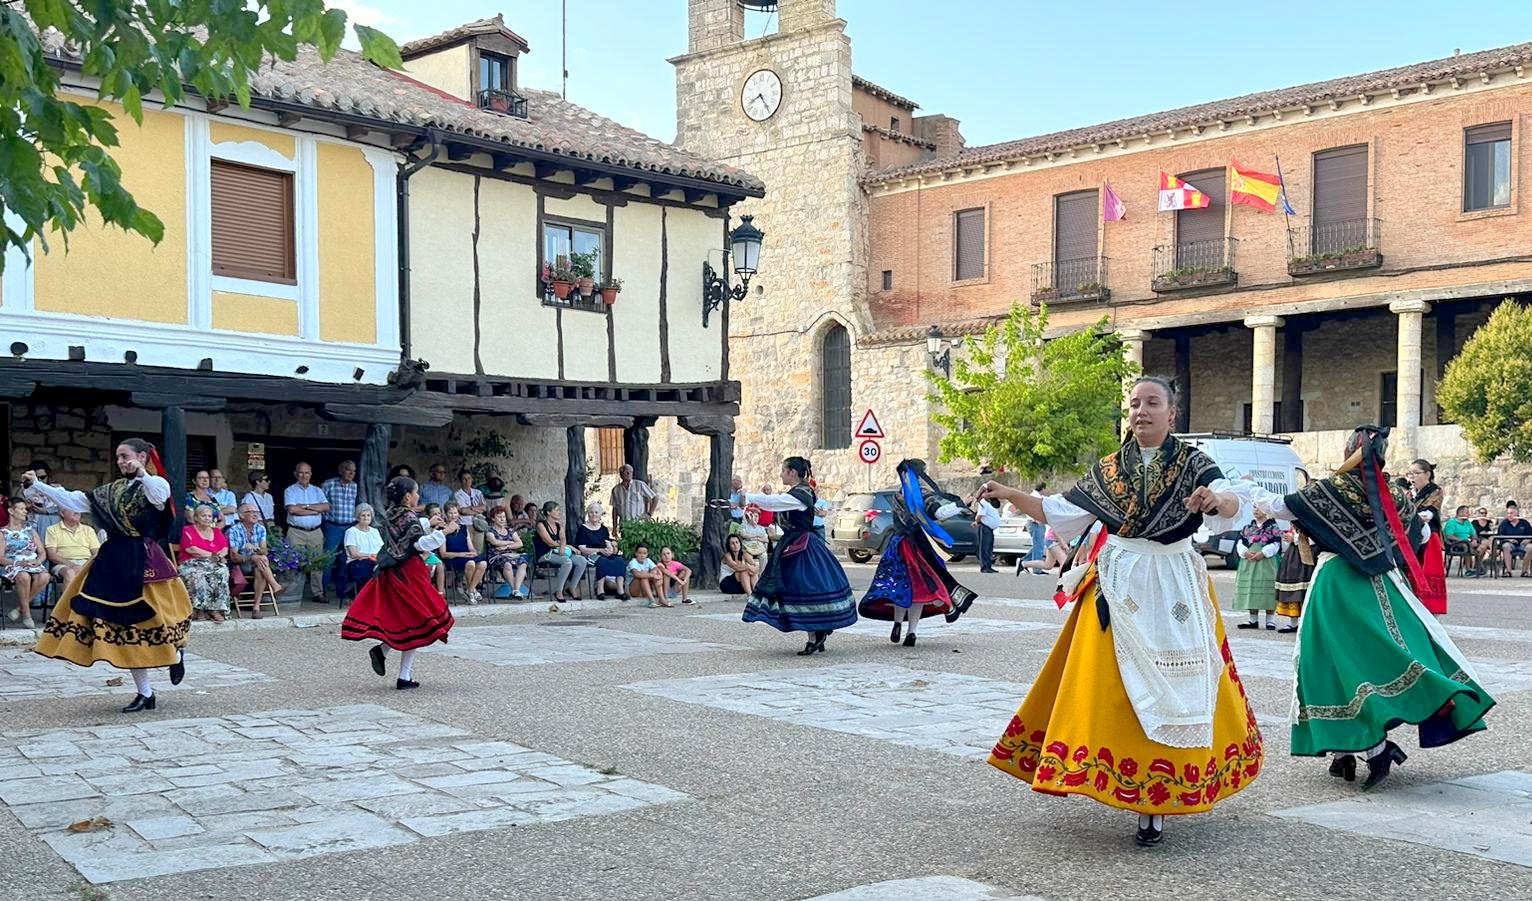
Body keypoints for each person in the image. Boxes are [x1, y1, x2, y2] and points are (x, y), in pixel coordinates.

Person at [979, 376, 1261, 847]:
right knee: (1106, 683)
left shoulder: (1195, 464)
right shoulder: (1109, 469)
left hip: (1174, 580)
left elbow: (1232, 500)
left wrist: (1216, 500)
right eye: (1134, 404)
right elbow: (1060, 510)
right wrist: (1009, 493)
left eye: (1153, 403)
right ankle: (1113, 776)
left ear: (1173, 414)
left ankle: (1159, 800)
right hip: (1117, 578)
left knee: (1186, 680)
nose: (1141, 412)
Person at [1234, 426, 1495, 790]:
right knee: (1378, 658)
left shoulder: (1332, 488)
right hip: (1385, 585)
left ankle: (1369, 749)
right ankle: (1348, 750)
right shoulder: (1395, 495)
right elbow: (1419, 537)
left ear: (1349, 451)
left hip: (1338, 583)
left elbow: (1280, 507)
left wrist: (1244, 484)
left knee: (1326, 663)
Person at [26, 440, 190, 712]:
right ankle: (145, 694)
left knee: (158, 618)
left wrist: (143, 473)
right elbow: (73, 499)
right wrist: (37, 486)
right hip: (113, 560)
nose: (121, 461)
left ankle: (175, 651)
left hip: (145, 560)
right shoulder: (110, 491)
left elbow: (161, 496)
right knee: (122, 628)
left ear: (141, 456)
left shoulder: (155, 484)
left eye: (125, 456)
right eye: (118, 457)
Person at [734, 457, 857, 656]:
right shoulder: (798, 493)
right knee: (800, 588)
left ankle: (815, 634)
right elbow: (776, 504)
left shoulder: (800, 494)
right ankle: (818, 631)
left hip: (804, 548)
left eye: (783, 470)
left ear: (792, 472)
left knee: (804, 588)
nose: (781, 474)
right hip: (793, 545)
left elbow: (774, 502)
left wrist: (748, 497)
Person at [341, 477, 455, 690]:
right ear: (407, 496)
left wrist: (428, 523)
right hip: (409, 573)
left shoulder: (391, 513)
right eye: (416, 492)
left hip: (392, 572)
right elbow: (419, 543)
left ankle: (394, 665)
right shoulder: (409, 516)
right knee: (419, 619)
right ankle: (399, 670)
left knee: (409, 622)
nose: (418, 496)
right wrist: (444, 532)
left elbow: (404, 530)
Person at [857, 459, 979, 647]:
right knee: (919, 589)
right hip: (917, 547)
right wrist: (963, 503)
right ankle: (911, 632)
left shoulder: (899, 494)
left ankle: (898, 623)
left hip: (897, 545)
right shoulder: (921, 494)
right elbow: (939, 514)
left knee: (899, 585)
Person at [1405, 459, 1447, 614]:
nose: (1412, 477)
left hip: (1430, 537)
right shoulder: (1409, 494)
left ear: (1427, 474)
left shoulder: (1435, 491)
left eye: (1416, 473)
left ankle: (1431, 607)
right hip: (1411, 536)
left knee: (1429, 571)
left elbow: (1428, 513)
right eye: (1410, 474)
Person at [1232, 505, 1284, 631]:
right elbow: (1240, 542)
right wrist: (1245, 552)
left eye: (1259, 507)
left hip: (1266, 562)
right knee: (1251, 588)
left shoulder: (1273, 527)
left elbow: (1276, 544)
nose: (1255, 510)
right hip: (1249, 562)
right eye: (1254, 507)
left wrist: (1263, 553)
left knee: (1268, 589)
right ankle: (1253, 620)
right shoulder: (1248, 527)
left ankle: (1270, 620)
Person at [283, 462, 329, 601]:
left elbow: (326, 507)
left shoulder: (317, 490)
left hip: (315, 532)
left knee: (317, 562)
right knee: (292, 562)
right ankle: (292, 593)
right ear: (296, 474)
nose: (304, 475)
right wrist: (315, 509)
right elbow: (292, 510)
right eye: (301, 472)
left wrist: (305, 507)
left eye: (307, 472)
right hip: (296, 531)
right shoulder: (290, 490)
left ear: (311, 474)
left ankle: (318, 593)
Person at [178, 504, 232, 623]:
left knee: (222, 571)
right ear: (196, 517)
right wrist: (213, 556)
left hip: (212, 563)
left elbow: (224, 549)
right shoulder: (188, 530)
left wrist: (216, 557)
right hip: (191, 563)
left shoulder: (216, 531)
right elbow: (192, 549)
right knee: (199, 574)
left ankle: (216, 610)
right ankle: (200, 609)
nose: (207, 518)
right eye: (203, 516)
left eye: (209, 516)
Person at [227, 503, 280, 616]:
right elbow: (234, 557)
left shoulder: (260, 528)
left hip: (257, 564)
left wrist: (255, 550)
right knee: (261, 560)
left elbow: (264, 550)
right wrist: (252, 557)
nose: (255, 514)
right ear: (241, 516)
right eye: (250, 512)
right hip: (240, 565)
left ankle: (256, 608)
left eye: (256, 512)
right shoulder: (234, 530)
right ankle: (274, 585)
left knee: (260, 565)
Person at [2, 498, 48, 627]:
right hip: (13, 564)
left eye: (25, 509)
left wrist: (38, 561)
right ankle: (27, 614)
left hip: (32, 562)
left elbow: (42, 552)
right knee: (24, 576)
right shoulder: (3, 533)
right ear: (11, 511)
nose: (25, 512)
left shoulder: (30, 530)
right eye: (21, 509)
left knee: (45, 576)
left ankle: (19, 608)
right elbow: (0, 558)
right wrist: (19, 564)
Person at [321, 460, 360, 601]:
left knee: (345, 559)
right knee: (328, 558)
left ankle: (341, 591)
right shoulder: (329, 484)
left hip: (350, 526)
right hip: (333, 526)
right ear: (341, 470)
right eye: (349, 470)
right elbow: (321, 503)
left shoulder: (355, 486)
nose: (351, 473)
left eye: (354, 471)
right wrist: (325, 520)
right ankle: (322, 591)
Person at [535, 501, 587, 601]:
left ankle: (572, 587)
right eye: (557, 510)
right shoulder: (541, 525)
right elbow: (549, 543)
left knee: (582, 561)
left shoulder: (559, 525)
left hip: (559, 552)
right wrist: (567, 546)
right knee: (567, 561)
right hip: (545, 554)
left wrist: (563, 545)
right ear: (549, 512)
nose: (559, 512)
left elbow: (563, 538)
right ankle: (559, 591)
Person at [576, 503, 627, 600]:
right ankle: (600, 590)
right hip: (590, 555)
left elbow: (607, 542)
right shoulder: (583, 529)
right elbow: (582, 548)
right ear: (588, 514)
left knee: (619, 560)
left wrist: (610, 550)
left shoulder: (603, 529)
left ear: (600, 514)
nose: (594, 514)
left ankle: (620, 590)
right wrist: (600, 550)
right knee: (602, 561)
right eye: (591, 512)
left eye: (596, 512)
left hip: (603, 552)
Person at [44, 505, 101, 591]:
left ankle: (85, 603)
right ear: (62, 513)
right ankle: (67, 604)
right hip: (62, 564)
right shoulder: (52, 530)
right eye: (72, 508)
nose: (77, 511)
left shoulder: (88, 530)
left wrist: (88, 564)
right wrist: (72, 564)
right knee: (69, 572)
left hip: (86, 562)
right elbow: (52, 555)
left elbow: (97, 553)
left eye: (78, 508)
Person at [440, 502, 487, 604]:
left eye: (455, 512)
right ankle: (472, 591)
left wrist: (473, 552)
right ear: (445, 514)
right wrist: (461, 554)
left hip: (466, 556)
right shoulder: (443, 530)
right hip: (453, 558)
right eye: (450, 513)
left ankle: (470, 589)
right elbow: (443, 553)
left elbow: (471, 547)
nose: (453, 515)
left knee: (483, 563)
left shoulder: (464, 528)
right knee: (471, 564)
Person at [483, 506, 530, 599]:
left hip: (510, 555)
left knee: (523, 563)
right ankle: (515, 590)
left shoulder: (510, 530)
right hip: (495, 557)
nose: (502, 519)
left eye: (504, 517)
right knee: (507, 564)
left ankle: (516, 590)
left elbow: (520, 543)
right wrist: (511, 542)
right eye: (499, 517)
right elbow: (495, 542)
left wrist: (506, 546)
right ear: (493, 518)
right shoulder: (490, 531)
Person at [343, 504, 384, 596]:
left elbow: (381, 550)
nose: (366, 518)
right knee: (367, 569)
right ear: (358, 517)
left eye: (368, 515)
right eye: (363, 515)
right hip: (356, 563)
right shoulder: (351, 532)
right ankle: (366, 599)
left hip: (376, 561)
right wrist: (370, 555)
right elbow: (354, 554)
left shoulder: (375, 531)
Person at [610, 464, 658, 535]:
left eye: (631, 472)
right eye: (627, 472)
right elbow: (615, 509)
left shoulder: (639, 485)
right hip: (624, 525)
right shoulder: (616, 489)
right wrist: (614, 527)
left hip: (639, 525)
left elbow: (655, 498)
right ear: (621, 474)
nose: (629, 474)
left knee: (640, 545)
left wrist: (649, 514)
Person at [23, 460, 62, 542]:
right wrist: (27, 506)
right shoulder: (25, 490)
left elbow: (66, 507)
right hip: (32, 523)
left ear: (48, 476)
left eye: (43, 477)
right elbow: (16, 507)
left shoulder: (57, 489)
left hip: (52, 522)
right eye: (36, 478)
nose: (40, 480)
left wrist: (47, 510)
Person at [1494, 501, 1532, 577]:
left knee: (1530, 547)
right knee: (1506, 546)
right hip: (1510, 544)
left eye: (1511, 513)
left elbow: (1531, 535)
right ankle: (1508, 571)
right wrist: (1508, 539)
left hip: (1522, 544)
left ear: (1517, 514)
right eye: (1508, 513)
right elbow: (1499, 536)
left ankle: (1524, 571)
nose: (1509, 515)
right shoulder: (1504, 523)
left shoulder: (1524, 523)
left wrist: (1528, 540)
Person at [1442, 505, 1479, 577]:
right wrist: (1462, 540)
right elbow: (1449, 536)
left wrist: (1474, 540)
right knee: (1466, 544)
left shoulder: (1467, 523)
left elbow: (1473, 533)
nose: (1469, 514)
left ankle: (1478, 567)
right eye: (1467, 512)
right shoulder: (1451, 522)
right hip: (1455, 543)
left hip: (1468, 542)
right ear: (1460, 513)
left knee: (1482, 546)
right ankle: (1469, 569)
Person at [419, 503, 448, 597]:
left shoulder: (444, 526)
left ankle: (440, 592)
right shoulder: (424, 525)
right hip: (423, 552)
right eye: (434, 514)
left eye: (439, 513)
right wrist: (434, 528)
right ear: (428, 516)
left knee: (440, 565)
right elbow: (426, 539)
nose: (437, 516)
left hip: (433, 553)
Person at [975, 493, 1002, 573]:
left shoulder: (991, 504)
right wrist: (976, 522)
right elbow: (980, 515)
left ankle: (989, 566)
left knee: (989, 548)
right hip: (985, 527)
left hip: (990, 529)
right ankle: (984, 567)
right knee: (985, 548)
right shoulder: (983, 503)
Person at [1469, 505, 1498, 573]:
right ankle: (1493, 554)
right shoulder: (1474, 522)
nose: (1483, 514)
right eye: (1482, 513)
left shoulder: (1488, 522)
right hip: (1479, 538)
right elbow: (1474, 532)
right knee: (1486, 542)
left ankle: (1492, 554)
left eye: (1485, 513)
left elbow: (1492, 530)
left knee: (1492, 538)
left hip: (1488, 538)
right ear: (1478, 514)